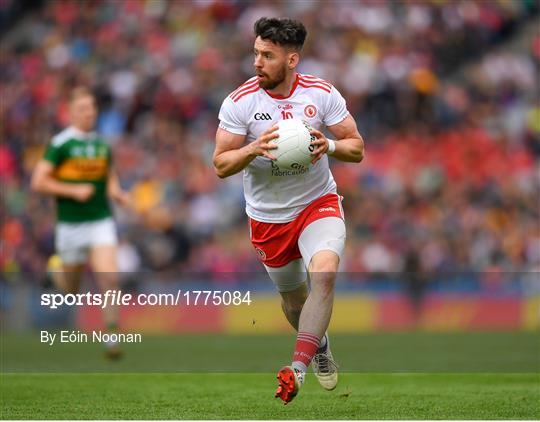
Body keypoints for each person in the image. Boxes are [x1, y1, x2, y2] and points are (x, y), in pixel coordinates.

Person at [213, 17, 364, 404]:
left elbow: (357, 148)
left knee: (325, 273)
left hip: (318, 202)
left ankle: (297, 367)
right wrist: (251, 148)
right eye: (256, 54)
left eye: (267, 55)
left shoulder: (321, 94)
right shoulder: (240, 101)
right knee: (295, 301)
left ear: (292, 60)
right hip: (269, 217)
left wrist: (327, 145)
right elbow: (220, 164)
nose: (257, 62)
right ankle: (320, 345)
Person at [31, 87, 131, 359]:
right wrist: (73, 191)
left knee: (110, 277)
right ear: (71, 113)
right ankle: (55, 271)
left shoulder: (101, 144)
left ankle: (111, 336)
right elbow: (39, 181)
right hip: (70, 226)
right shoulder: (61, 144)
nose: (90, 113)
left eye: (92, 108)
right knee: (71, 290)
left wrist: (118, 193)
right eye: (83, 109)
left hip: (100, 221)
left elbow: (108, 177)